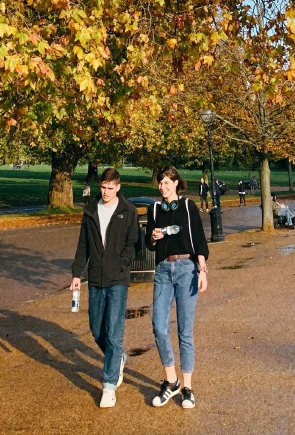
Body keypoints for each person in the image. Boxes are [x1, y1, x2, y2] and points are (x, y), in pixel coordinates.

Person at [70, 167, 141, 408]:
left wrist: (122, 262)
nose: (107, 191)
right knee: (96, 327)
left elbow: (134, 244)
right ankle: (117, 356)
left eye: (111, 188)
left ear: (118, 187)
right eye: (103, 187)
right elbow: (83, 245)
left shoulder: (127, 211)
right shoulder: (90, 211)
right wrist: (77, 273)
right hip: (96, 278)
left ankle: (109, 386)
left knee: (113, 331)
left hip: (118, 278)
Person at [146, 167, 208, 410]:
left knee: (185, 330)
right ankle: (171, 381)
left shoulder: (187, 206)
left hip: (186, 269)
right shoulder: (153, 209)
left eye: (166, 182)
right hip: (162, 269)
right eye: (160, 183)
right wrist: (152, 237)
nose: (162, 187)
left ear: (176, 183)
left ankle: (188, 387)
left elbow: (200, 240)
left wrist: (202, 271)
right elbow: (149, 245)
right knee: (159, 326)